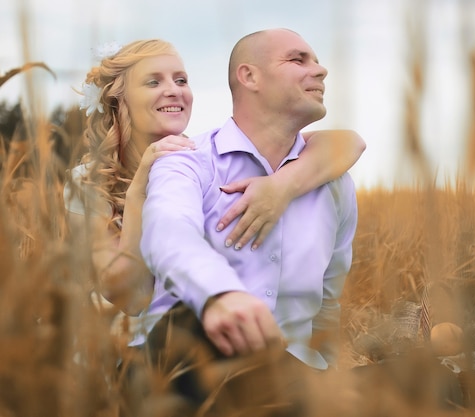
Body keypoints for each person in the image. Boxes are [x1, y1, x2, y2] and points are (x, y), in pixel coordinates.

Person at [63, 39, 365, 323]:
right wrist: (138, 191)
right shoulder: (87, 184)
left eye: (181, 80)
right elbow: (129, 299)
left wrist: (281, 186)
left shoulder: (202, 157)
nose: (174, 90)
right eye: (154, 82)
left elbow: (346, 143)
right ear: (119, 99)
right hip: (120, 337)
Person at [139, 29, 359, 412]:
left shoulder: (335, 182)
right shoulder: (187, 162)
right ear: (249, 76)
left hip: (293, 377)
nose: (321, 70)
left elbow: (328, 299)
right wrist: (219, 295)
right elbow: (168, 234)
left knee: (436, 386)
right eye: (298, 60)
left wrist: (329, 374)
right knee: (185, 326)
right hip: (194, 364)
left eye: (317, 60)